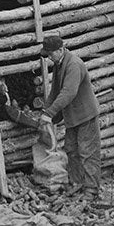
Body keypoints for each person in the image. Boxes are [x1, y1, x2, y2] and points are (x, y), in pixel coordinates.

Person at [40, 34, 101, 197]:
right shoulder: (58, 64)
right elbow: (55, 92)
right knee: (71, 150)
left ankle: (91, 189)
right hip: (73, 117)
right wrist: (45, 113)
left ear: (61, 50)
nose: (49, 58)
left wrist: (50, 113)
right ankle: (77, 183)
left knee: (87, 152)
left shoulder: (73, 64)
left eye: (51, 54)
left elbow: (68, 92)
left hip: (85, 115)